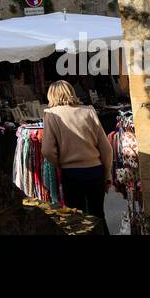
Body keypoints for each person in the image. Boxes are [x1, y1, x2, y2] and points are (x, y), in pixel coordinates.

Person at [41, 80, 112, 231]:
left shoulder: (51, 115)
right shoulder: (88, 111)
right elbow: (106, 148)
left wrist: (60, 164)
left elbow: (47, 150)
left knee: (77, 219)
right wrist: (107, 175)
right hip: (95, 170)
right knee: (98, 214)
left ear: (51, 95)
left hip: (71, 173)